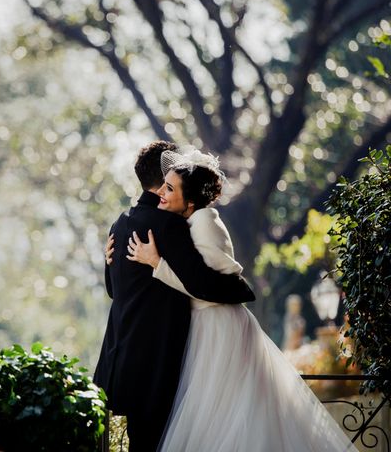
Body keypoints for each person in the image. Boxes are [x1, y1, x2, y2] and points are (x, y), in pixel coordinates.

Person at [124, 147, 358, 452]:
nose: (162, 194)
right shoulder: (190, 221)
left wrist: (157, 263)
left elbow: (208, 284)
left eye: (170, 188)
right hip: (206, 323)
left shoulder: (205, 221)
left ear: (191, 200)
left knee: (226, 413)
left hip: (218, 325)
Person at [93, 141, 256, 452]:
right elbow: (202, 281)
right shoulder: (168, 225)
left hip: (117, 355)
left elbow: (114, 289)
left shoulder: (120, 222)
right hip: (155, 360)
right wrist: (241, 289)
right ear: (164, 178)